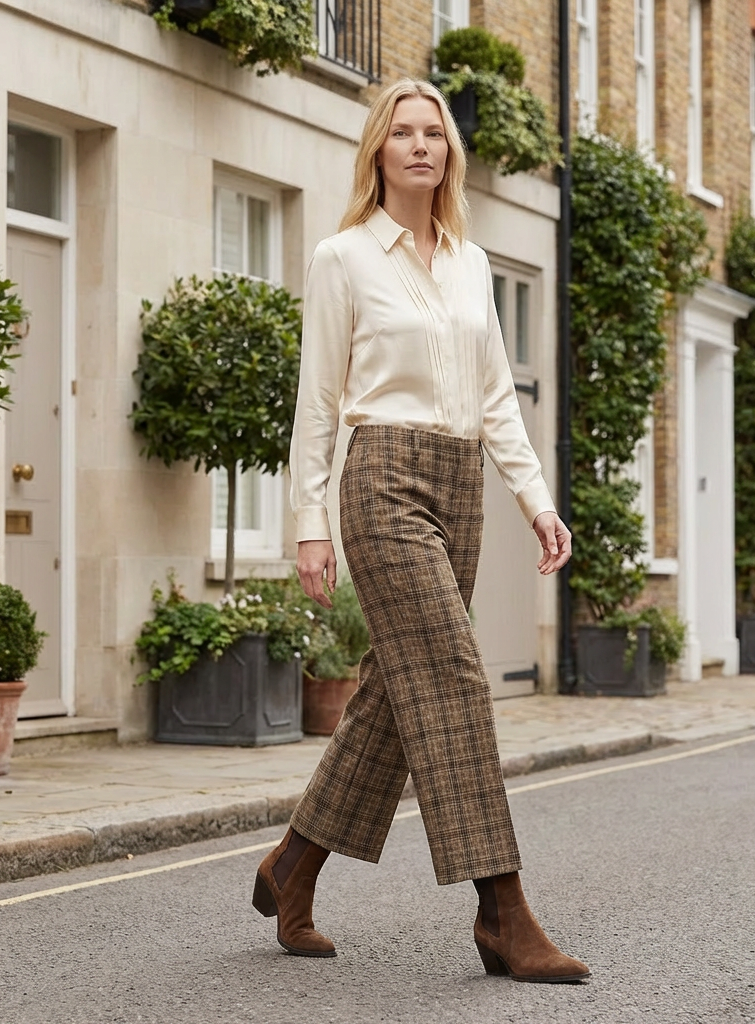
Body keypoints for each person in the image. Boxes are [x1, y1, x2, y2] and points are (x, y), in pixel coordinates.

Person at [253, 78, 589, 985]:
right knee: (453, 679)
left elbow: (496, 400)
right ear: (378, 151)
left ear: (449, 152)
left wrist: (538, 502)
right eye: (401, 133)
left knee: (398, 699)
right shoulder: (344, 257)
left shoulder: (474, 264)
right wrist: (309, 523)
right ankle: (501, 911)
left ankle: (292, 866)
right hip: (383, 479)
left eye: (431, 133)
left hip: (461, 480)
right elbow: (317, 405)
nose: (418, 146)